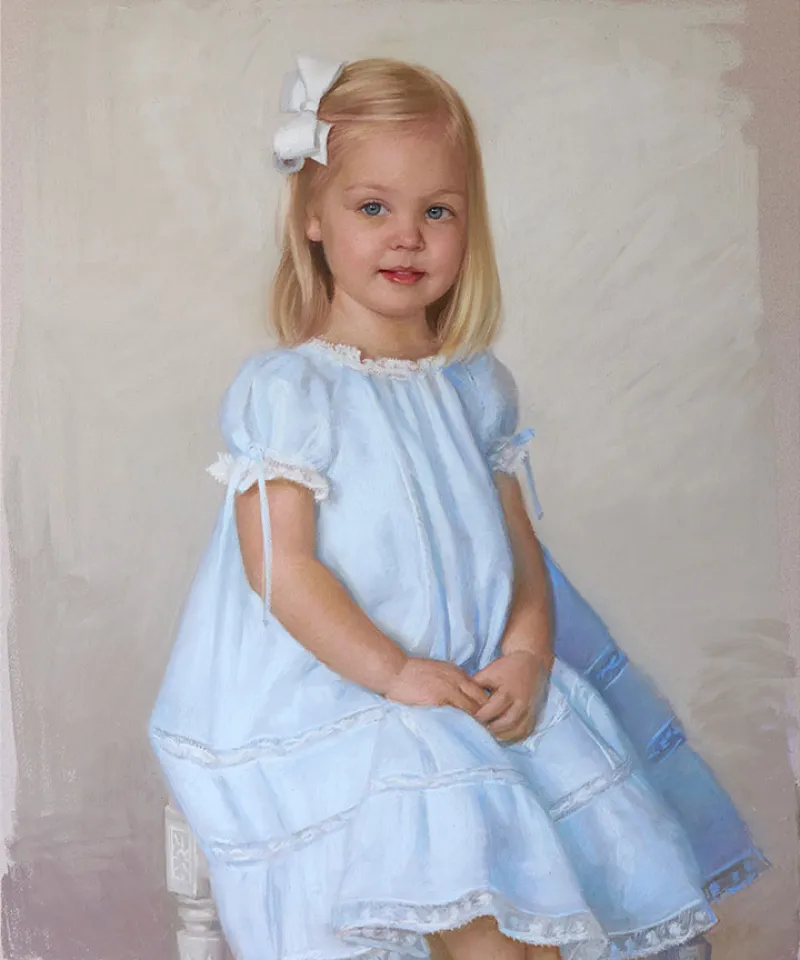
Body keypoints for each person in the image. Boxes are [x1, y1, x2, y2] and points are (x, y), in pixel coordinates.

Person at [149, 55, 764, 960]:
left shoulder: (475, 388)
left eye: (437, 211)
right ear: (313, 216)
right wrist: (393, 670)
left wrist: (526, 655)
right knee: (485, 911)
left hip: (471, 684)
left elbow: (522, 558)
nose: (407, 237)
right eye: (373, 208)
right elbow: (283, 571)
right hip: (338, 693)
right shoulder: (290, 391)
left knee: (558, 889)